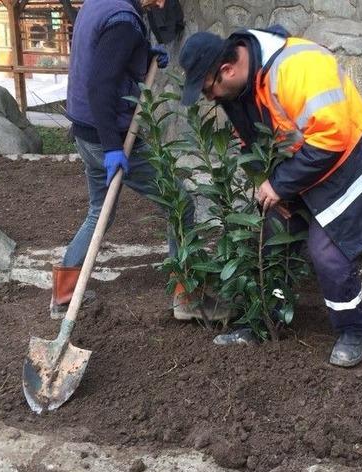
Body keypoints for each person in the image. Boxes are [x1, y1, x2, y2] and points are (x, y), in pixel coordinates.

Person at [177, 27, 362, 367]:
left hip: (349, 162)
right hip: (301, 166)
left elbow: (331, 139)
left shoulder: (297, 67)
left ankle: (354, 331)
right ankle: (265, 321)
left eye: (207, 88)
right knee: (270, 236)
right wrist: (272, 185)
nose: (208, 98)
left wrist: (279, 186)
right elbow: (256, 142)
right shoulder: (239, 91)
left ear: (227, 70)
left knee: (328, 253)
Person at [51, 0, 229, 323]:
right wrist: (112, 147)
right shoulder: (123, 21)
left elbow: (100, 57)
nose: (162, 4)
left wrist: (144, 55)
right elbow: (100, 85)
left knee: (98, 211)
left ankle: (64, 293)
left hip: (83, 131)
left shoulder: (100, 4)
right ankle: (186, 295)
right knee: (179, 203)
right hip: (108, 136)